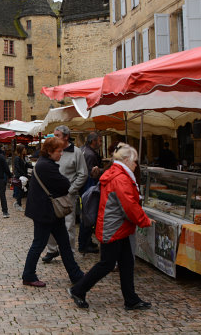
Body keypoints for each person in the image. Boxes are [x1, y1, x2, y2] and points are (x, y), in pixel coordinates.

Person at [68, 143, 152, 310]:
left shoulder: (117, 173)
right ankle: (78, 289)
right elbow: (129, 206)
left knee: (127, 263)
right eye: (135, 161)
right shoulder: (120, 178)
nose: (136, 165)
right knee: (106, 264)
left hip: (117, 226)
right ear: (127, 160)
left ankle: (131, 299)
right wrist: (145, 220)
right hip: (113, 227)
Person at [22, 137, 84, 288]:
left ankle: (75, 274)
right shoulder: (46, 166)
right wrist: (63, 183)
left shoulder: (46, 164)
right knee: (39, 244)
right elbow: (64, 184)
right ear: (50, 151)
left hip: (50, 212)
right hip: (45, 213)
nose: (61, 154)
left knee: (64, 243)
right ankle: (28, 275)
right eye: (59, 151)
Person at [42, 126, 90, 263]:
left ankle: (68, 252)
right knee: (50, 223)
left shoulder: (76, 152)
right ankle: (52, 249)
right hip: (51, 194)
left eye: (57, 135)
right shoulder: (51, 151)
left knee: (68, 225)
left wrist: (71, 190)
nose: (54, 137)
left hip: (68, 195)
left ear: (66, 137)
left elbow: (83, 173)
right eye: (54, 134)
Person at [78, 132, 104, 254]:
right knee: (89, 215)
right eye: (99, 141)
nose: (101, 143)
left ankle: (86, 241)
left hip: (84, 188)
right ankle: (84, 244)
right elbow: (92, 174)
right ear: (93, 141)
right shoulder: (90, 154)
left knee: (87, 216)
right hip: (89, 188)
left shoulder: (82, 149)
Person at [13, 144, 30, 210]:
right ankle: (18, 204)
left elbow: (27, 165)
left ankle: (18, 203)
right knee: (21, 190)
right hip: (20, 177)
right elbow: (18, 167)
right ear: (21, 150)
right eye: (24, 149)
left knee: (22, 190)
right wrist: (23, 175)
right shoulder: (17, 158)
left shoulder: (23, 157)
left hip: (23, 176)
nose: (25, 150)